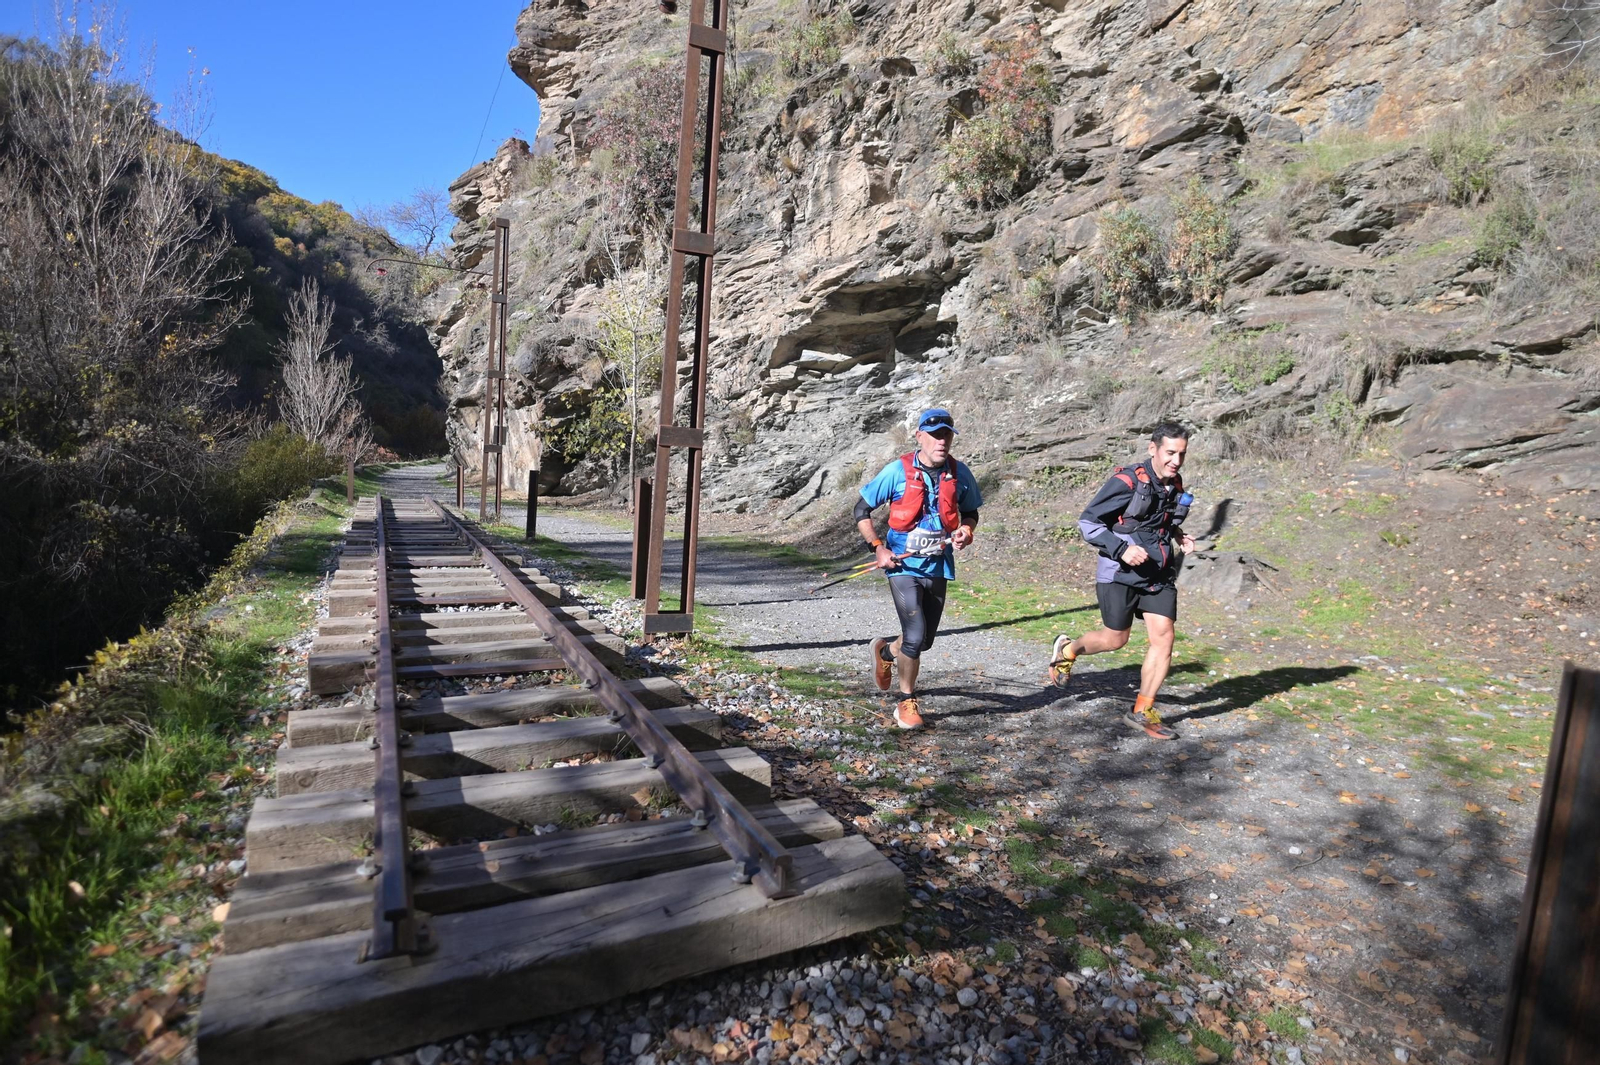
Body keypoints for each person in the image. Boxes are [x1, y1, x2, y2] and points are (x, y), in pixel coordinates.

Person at [1047, 422, 1196, 740]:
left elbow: (1159, 522)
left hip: (1157, 574)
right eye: (1170, 453)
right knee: (1116, 639)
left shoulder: (1175, 484)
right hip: (1119, 572)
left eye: (1181, 454)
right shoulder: (1127, 480)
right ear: (1152, 449)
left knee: (1164, 637)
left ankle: (1142, 709)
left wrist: (1179, 535)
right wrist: (1122, 550)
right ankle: (1068, 650)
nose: (1176, 461)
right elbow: (1088, 521)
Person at [855, 408, 983, 730]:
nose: (942, 441)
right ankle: (906, 703)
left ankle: (885, 653)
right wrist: (878, 548)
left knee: (923, 641)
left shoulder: (959, 473)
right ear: (920, 437)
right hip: (901, 565)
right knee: (914, 634)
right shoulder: (897, 472)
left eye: (947, 435)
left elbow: (970, 513)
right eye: (935, 434)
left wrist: (966, 531)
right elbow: (861, 509)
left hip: (937, 564)